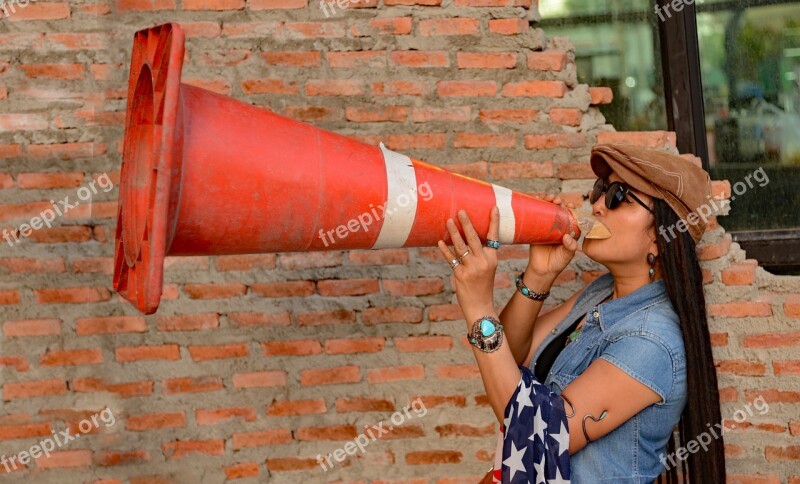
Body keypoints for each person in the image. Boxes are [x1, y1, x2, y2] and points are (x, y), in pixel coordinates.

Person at [437, 143, 726, 483]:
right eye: (601, 190)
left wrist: (478, 308)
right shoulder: (603, 293)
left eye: (619, 196)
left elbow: (537, 438)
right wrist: (539, 275)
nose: (599, 205)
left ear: (659, 238)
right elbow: (513, 355)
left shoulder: (650, 340)